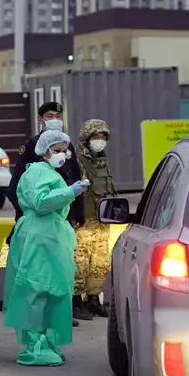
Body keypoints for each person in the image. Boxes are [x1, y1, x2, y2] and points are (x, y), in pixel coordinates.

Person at [3, 130, 89, 366]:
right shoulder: (37, 172)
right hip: (38, 237)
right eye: (57, 150)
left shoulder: (50, 172)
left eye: (64, 150)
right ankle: (35, 344)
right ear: (44, 150)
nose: (62, 155)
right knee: (37, 288)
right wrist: (69, 192)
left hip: (51, 236)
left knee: (54, 289)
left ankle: (48, 341)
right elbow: (41, 203)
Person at [6, 101, 86, 323]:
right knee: (39, 274)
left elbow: (74, 180)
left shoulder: (64, 145)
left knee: (61, 269)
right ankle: (40, 321)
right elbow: (18, 188)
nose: (55, 119)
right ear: (41, 118)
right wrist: (25, 215)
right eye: (50, 115)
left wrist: (77, 213)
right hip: (40, 224)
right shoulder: (34, 148)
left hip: (61, 220)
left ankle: (59, 313)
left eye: (58, 115)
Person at [74, 119, 117, 318]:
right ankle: (75, 302)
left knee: (100, 262)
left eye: (102, 137)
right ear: (86, 138)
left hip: (102, 220)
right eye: (95, 137)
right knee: (79, 262)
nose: (99, 141)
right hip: (84, 221)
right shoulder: (76, 160)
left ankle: (93, 298)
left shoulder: (103, 160)